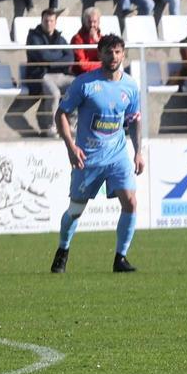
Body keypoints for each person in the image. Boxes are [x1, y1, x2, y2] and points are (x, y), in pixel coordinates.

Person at [49, 34, 144, 274]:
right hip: (88, 158)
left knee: (131, 202)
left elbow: (134, 120)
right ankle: (63, 249)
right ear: (99, 53)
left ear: (123, 54)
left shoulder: (130, 86)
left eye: (118, 52)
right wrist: (71, 147)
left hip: (118, 155)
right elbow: (61, 114)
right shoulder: (85, 83)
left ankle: (120, 258)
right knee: (75, 211)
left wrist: (138, 152)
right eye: (108, 52)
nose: (113, 57)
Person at [20, 9, 75, 137]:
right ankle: (52, 126)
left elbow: (70, 58)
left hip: (59, 75)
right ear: (41, 21)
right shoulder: (33, 37)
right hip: (41, 75)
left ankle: (72, 123)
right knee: (54, 94)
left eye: (51, 21)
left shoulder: (60, 39)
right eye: (46, 20)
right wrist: (58, 57)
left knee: (76, 86)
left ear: (55, 22)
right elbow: (43, 56)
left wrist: (51, 61)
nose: (49, 23)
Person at [70, 8, 103, 76]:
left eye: (94, 22)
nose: (92, 25)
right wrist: (103, 65)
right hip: (82, 75)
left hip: (100, 73)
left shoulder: (102, 38)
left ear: (99, 22)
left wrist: (97, 42)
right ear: (85, 22)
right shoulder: (77, 39)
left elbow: (108, 58)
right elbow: (82, 65)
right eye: (89, 22)